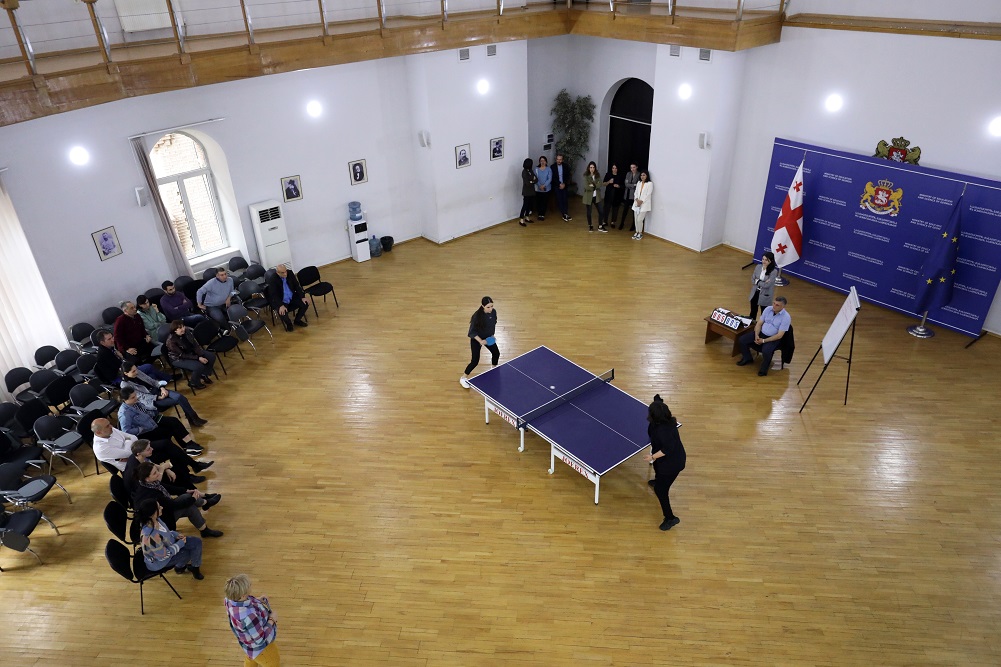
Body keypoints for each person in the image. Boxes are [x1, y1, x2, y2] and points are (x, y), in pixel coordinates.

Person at [91, 417, 211, 480]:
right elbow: (130, 452)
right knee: (169, 453)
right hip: (135, 464)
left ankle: (194, 465)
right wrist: (128, 442)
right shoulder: (100, 448)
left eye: (109, 424)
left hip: (139, 450)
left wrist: (127, 443)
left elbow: (132, 437)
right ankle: (187, 476)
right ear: (99, 432)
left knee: (166, 443)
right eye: (107, 426)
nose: (111, 426)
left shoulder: (110, 430)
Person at [132, 461, 223, 537]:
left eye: (157, 471)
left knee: (187, 496)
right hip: (160, 521)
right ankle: (205, 528)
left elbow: (167, 487)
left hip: (163, 511)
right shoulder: (153, 495)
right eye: (155, 473)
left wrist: (186, 490)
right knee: (190, 507)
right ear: (147, 478)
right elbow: (174, 505)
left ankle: (205, 504)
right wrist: (193, 499)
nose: (159, 474)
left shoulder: (147, 484)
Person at [118, 385, 206, 453]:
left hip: (151, 421)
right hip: (146, 431)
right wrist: (140, 429)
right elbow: (126, 431)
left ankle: (188, 444)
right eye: (133, 397)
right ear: (124, 400)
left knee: (174, 421)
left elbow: (145, 412)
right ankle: (187, 446)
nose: (136, 398)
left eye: (135, 395)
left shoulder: (134, 403)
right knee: (170, 428)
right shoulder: (124, 414)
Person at [643, 395, 686, 531]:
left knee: (661, 490)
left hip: (672, 464)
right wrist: (657, 400)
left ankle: (670, 518)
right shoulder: (664, 419)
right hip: (664, 460)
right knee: (657, 468)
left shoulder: (663, 431)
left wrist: (652, 456)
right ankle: (658, 480)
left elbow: (667, 449)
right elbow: (659, 406)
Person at [121, 360, 207, 427]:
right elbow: (140, 397)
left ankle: (193, 418)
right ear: (126, 373)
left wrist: (161, 388)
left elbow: (152, 381)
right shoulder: (125, 384)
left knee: (180, 397)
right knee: (179, 400)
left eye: (136, 369)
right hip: (151, 400)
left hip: (157, 390)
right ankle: (193, 419)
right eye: (133, 371)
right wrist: (158, 397)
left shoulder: (138, 372)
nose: (136, 372)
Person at [137, 498, 205, 580]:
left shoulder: (156, 519)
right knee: (188, 552)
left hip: (170, 545)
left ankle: (194, 567)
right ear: (152, 514)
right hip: (160, 561)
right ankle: (180, 567)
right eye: (159, 507)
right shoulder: (150, 537)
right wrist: (179, 544)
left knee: (197, 542)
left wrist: (175, 535)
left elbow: (166, 532)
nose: (162, 507)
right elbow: (163, 556)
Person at [225, 574, 280, 666]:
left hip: (249, 646)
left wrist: (257, 600)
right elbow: (260, 639)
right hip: (262, 649)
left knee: (251, 659)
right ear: (243, 595)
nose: (251, 585)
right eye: (249, 586)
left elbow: (243, 603)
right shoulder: (249, 617)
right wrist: (272, 619)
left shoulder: (229, 600)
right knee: (273, 662)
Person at [92, 329, 170, 385]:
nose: (113, 340)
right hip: (119, 376)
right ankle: (167, 379)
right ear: (102, 342)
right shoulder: (104, 354)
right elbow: (118, 367)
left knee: (150, 374)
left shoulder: (109, 347)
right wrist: (122, 359)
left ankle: (161, 384)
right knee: (148, 367)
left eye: (112, 337)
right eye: (109, 339)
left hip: (125, 370)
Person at [736, 296, 791, 376]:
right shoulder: (768, 309)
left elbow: (779, 335)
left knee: (766, 351)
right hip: (761, 333)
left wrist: (764, 341)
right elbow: (759, 323)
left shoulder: (786, 317)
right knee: (742, 340)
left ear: (783, 306)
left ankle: (764, 369)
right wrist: (756, 335)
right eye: (774, 303)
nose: (774, 306)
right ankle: (747, 358)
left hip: (773, 338)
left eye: (777, 305)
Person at [459, 296, 499, 389]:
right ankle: (463, 378)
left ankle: (493, 369)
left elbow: (493, 323)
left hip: (488, 338)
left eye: (492, 306)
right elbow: (471, 332)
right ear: (482, 306)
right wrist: (481, 341)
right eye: (488, 307)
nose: (491, 309)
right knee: (475, 361)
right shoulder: (476, 316)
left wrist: (492, 335)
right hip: (476, 340)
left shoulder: (493, 312)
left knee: (496, 353)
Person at [165, 320, 217, 389]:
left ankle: (203, 374)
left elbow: (194, 344)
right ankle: (194, 382)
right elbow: (182, 355)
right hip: (178, 358)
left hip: (190, 352)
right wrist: (198, 358)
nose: (183, 329)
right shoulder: (171, 341)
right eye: (180, 328)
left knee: (211, 356)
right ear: (175, 330)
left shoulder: (186, 331)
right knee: (198, 366)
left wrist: (201, 355)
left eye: (183, 326)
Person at [266, 264, 309, 332]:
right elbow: (274, 295)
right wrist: (280, 305)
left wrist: (302, 297)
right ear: (277, 273)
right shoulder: (273, 279)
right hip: (281, 300)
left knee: (305, 303)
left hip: (291, 296)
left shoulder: (290, 273)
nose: (285, 274)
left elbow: (296, 285)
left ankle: (297, 320)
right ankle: (289, 323)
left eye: (285, 271)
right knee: (282, 312)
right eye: (282, 273)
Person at [748, 251, 778, 320]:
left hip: (765, 294)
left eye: (766, 260)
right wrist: (762, 282)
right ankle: (752, 323)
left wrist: (758, 281)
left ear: (771, 261)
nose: (764, 261)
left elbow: (767, 285)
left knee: (764, 313)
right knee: (753, 311)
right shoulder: (758, 267)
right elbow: (752, 279)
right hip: (755, 292)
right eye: (763, 259)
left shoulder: (773, 272)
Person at [581, 161, 605, 233]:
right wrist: (595, 186)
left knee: (601, 211)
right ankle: (590, 225)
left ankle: (600, 226)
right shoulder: (586, 176)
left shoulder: (597, 175)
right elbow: (586, 187)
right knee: (589, 212)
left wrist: (593, 185)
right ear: (588, 168)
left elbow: (600, 184)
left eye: (593, 167)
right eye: (591, 167)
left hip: (596, 196)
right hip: (589, 197)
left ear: (595, 168)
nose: (592, 169)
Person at [631, 171, 653, 240]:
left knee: (639, 219)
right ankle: (637, 232)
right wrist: (637, 199)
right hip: (636, 203)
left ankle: (640, 233)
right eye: (641, 175)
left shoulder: (650, 184)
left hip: (644, 204)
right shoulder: (639, 183)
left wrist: (641, 201)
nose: (642, 177)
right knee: (636, 219)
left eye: (644, 175)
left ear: (647, 176)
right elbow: (636, 192)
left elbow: (648, 194)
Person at [601, 164, 624, 229]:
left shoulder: (620, 176)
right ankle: (605, 221)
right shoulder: (608, 174)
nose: (614, 169)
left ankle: (613, 222)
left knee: (615, 209)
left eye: (615, 168)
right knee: (606, 208)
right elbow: (603, 183)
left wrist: (618, 186)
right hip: (608, 194)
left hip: (617, 195)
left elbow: (623, 186)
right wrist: (609, 182)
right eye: (613, 168)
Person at [552, 153, 572, 222]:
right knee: (560, 200)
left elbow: (568, 176)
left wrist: (564, 184)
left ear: (562, 160)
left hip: (564, 185)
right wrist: (559, 184)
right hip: (557, 186)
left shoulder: (566, 166)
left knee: (565, 199)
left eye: (560, 159)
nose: (559, 161)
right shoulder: (552, 167)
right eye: (558, 159)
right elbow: (553, 178)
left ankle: (565, 213)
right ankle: (563, 214)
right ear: (556, 159)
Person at [620, 163, 640, 230]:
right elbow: (626, 184)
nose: (632, 169)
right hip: (627, 194)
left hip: (634, 195)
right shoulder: (628, 174)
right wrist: (633, 185)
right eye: (631, 167)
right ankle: (622, 223)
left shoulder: (639, 174)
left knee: (634, 211)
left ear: (636, 167)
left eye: (634, 167)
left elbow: (638, 185)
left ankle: (633, 225)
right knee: (625, 210)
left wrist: (631, 185)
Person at [518, 159, 537, 227]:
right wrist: (532, 180)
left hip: (531, 191)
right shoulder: (524, 172)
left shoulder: (530, 171)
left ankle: (527, 217)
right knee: (525, 205)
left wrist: (532, 181)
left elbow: (536, 179)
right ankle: (521, 219)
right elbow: (527, 183)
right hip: (526, 191)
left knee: (529, 205)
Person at [534, 156, 552, 221]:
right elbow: (535, 178)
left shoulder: (548, 169)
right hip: (538, 189)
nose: (542, 162)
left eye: (544, 160)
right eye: (541, 161)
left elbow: (549, 179)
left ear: (546, 162)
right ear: (539, 162)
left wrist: (544, 186)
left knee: (544, 202)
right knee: (538, 202)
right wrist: (540, 186)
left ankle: (542, 214)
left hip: (546, 189)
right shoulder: (536, 169)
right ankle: (539, 214)